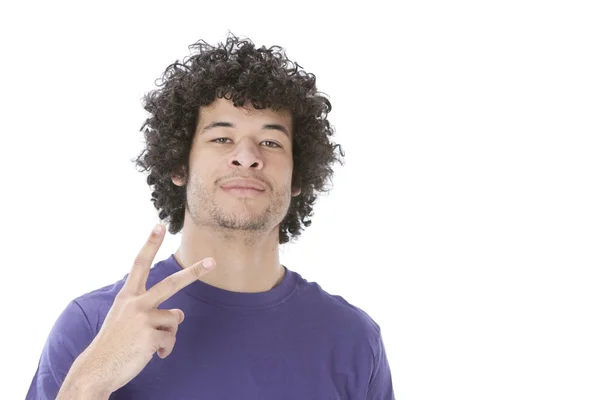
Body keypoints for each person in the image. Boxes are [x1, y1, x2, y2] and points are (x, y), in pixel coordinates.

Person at [26, 34, 395, 399]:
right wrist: (89, 383)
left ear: (297, 176)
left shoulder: (353, 340)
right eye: (221, 139)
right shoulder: (95, 326)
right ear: (177, 165)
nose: (248, 156)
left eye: (271, 142)